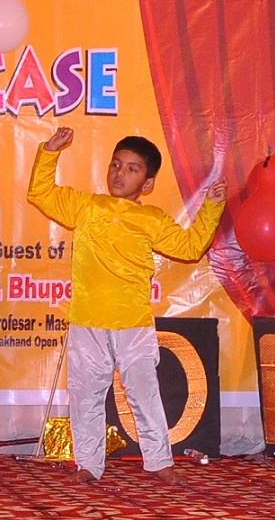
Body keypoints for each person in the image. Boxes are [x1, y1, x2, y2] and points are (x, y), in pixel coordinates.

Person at [27, 127, 225, 479]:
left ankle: (160, 462)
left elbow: (191, 247)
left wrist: (211, 207)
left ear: (147, 184)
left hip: (133, 323)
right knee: (85, 396)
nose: (120, 173)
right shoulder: (87, 206)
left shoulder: (151, 219)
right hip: (88, 320)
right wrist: (50, 152)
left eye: (133, 169)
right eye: (116, 165)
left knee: (145, 395)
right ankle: (88, 464)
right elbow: (39, 193)